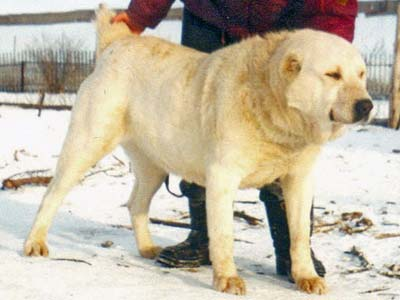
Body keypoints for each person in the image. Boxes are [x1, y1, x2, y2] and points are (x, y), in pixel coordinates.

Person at [112, 0, 358, 281]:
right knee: (197, 125)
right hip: (210, 16)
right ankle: (203, 237)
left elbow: (334, 8)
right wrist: (139, 15)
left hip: (285, 25)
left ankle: (293, 253)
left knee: (291, 140)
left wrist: (329, 48)